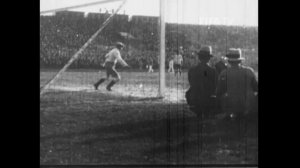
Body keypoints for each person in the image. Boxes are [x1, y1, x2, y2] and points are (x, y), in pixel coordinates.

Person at [216, 48, 258, 120]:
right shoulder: (249, 71)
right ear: (240, 60)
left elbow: (219, 92)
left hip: (232, 106)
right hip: (248, 106)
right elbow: (256, 88)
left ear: (229, 61)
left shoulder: (224, 73)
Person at [186, 46, 217, 119]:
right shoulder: (212, 71)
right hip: (207, 99)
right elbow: (215, 86)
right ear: (209, 58)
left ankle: (199, 113)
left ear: (199, 57)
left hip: (193, 97)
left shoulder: (192, 70)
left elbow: (191, 82)